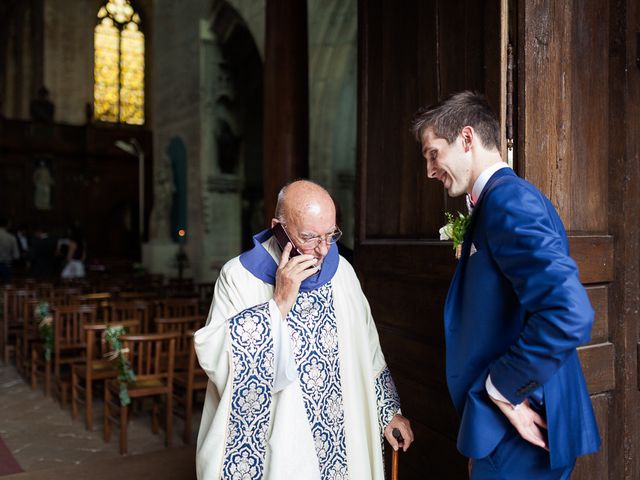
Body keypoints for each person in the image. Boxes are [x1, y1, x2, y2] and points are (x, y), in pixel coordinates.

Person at [412, 91, 600, 479]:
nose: (429, 170)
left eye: (433, 153)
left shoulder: (509, 201)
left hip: (519, 420)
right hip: (506, 429)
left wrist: (501, 389)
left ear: (467, 139)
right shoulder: (506, 199)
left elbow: (569, 312)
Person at [194, 180, 413, 479]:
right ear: (278, 228)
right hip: (284, 443)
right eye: (309, 237)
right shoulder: (239, 278)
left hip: (344, 438)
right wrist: (277, 305)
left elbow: (369, 351)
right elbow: (219, 359)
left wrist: (389, 411)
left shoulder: (343, 274)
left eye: (330, 235)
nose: (323, 249)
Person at [0, 217, 19, 283]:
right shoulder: (11, 237)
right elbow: (16, 255)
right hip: (6, 265)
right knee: (7, 288)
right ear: (7, 225)